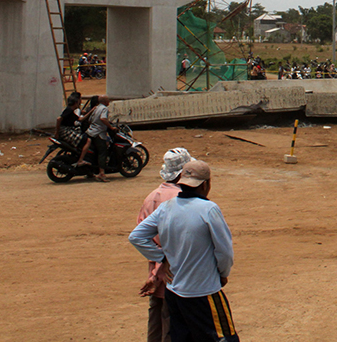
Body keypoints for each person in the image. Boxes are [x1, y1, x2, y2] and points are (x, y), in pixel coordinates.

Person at [129, 160, 239, 342]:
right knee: (224, 338)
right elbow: (224, 251)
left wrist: (161, 258)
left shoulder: (166, 207)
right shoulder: (208, 209)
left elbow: (137, 236)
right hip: (204, 291)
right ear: (205, 184)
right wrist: (223, 273)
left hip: (174, 291)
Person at [138, 149, 195, 342]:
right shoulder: (183, 199)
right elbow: (178, 243)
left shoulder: (151, 197)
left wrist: (154, 271)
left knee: (155, 324)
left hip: (156, 272)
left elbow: (141, 236)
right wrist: (160, 271)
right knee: (173, 327)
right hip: (175, 275)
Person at [77, 95, 117, 181]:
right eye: (108, 100)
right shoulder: (104, 109)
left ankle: (91, 171)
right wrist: (111, 127)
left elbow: (90, 120)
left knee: (94, 151)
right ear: (106, 101)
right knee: (102, 152)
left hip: (91, 132)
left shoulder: (96, 108)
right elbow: (103, 118)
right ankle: (101, 173)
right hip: (98, 133)